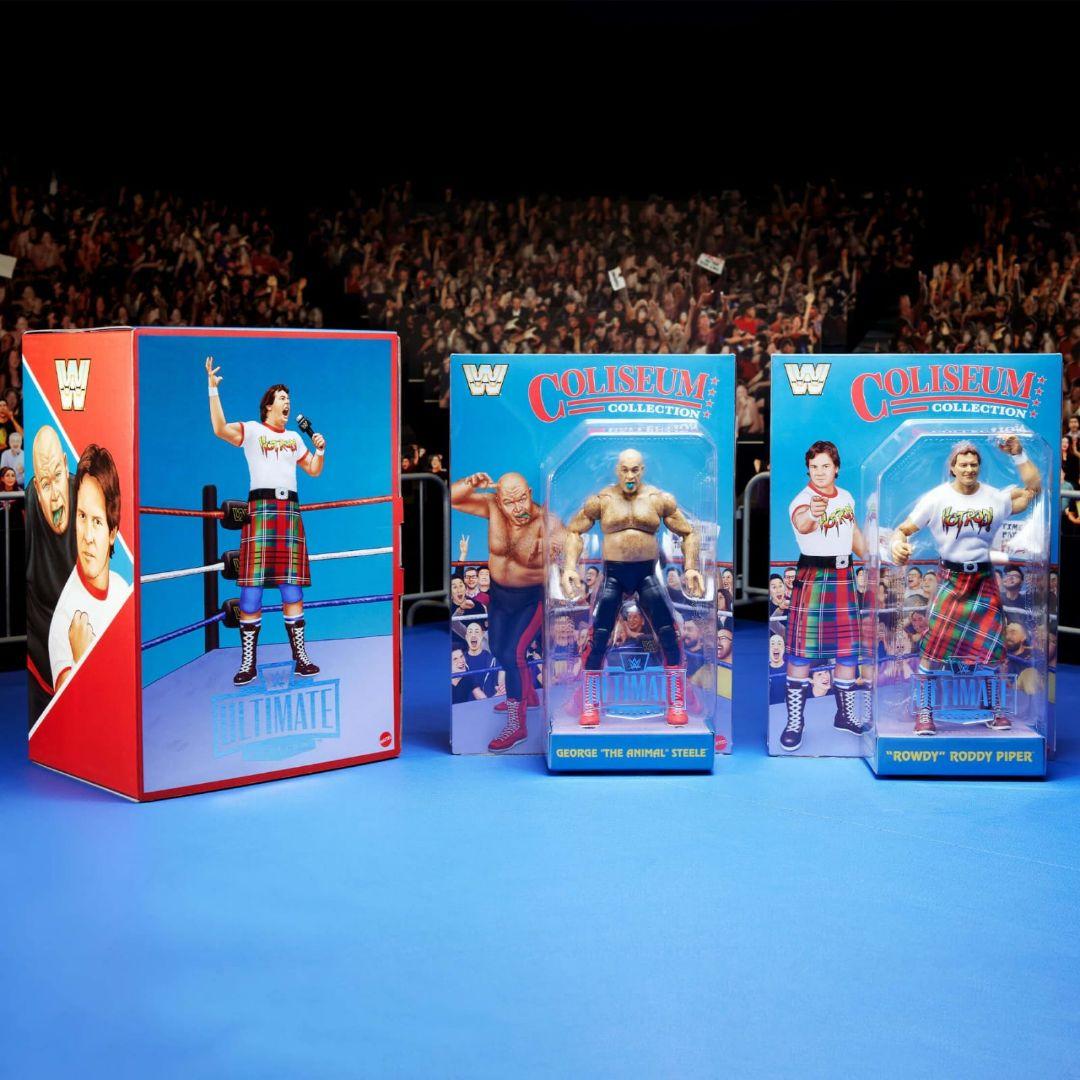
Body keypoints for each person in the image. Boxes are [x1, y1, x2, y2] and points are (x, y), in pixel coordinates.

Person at [890, 436, 1042, 735]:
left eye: (974, 464)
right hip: (952, 579)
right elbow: (903, 529)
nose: (969, 469)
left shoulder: (995, 498)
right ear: (953, 467)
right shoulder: (936, 498)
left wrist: (1019, 454)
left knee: (993, 648)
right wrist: (897, 544)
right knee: (933, 649)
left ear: (979, 466)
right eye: (963, 464)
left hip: (983, 579)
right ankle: (924, 712)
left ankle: (994, 709)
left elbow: (1034, 490)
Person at [205, 356, 326, 685]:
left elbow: (313, 471)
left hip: (289, 511)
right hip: (259, 510)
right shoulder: (253, 430)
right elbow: (219, 429)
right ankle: (248, 663)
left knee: (292, 588)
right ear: (269, 405)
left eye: (289, 399)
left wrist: (320, 450)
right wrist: (213, 390)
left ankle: (301, 658)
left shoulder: (295, 438)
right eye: (282, 398)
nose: (288, 403)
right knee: (251, 590)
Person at [561, 449, 703, 726]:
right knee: (598, 637)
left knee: (669, 635)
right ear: (617, 470)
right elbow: (574, 531)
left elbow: (688, 533)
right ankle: (589, 703)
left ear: (642, 470)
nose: (630, 475)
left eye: (635, 469)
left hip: (647, 574)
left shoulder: (657, 499)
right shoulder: (603, 499)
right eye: (625, 469)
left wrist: (691, 567)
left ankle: (677, 702)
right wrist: (568, 567)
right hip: (613, 575)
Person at [450, 469, 552, 751]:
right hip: (499, 596)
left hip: (530, 599)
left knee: (513, 654)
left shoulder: (545, 521)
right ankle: (528, 696)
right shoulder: (493, 507)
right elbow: (453, 499)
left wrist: (555, 551)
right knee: (497, 648)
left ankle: (516, 724)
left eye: (522, 499)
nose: (517, 508)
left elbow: (570, 545)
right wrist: (470, 483)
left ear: (530, 494)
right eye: (509, 501)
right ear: (499, 500)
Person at [781, 440, 867, 750]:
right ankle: (795, 722)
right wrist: (814, 514)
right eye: (814, 466)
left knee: (848, 653)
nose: (819, 472)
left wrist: (875, 555)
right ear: (808, 469)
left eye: (825, 466)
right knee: (800, 654)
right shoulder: (801, 500)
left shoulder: (846, 497)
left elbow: (853, 535)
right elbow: (803, 523)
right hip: (814, 578)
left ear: (836, 468)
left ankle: (844, 715)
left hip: (844, 576)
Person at [47, 445, 131, 692]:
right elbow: (64, 707)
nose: (88, 536)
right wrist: (81, 661)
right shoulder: (64, 620)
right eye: (82, 517)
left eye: (97, 521)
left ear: (112, 533)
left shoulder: (121, 589)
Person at [25, 425, 78, 725]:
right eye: (46, 484)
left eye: (58, 476)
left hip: (84, 658)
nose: (56, 496)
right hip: (41, 664)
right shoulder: (30, 507)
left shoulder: (86, 498)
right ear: (36, 485)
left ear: (66, 466)